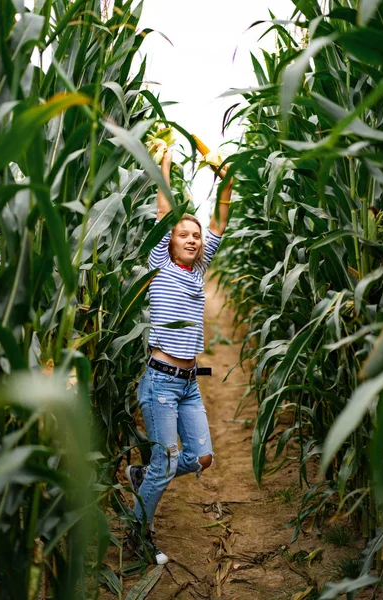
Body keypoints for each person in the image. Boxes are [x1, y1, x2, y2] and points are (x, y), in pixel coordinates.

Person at [126, 144, 232, 564]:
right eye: (182, 234)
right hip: (161, 384)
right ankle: (138, 534)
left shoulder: (200, 267)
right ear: (169, 241)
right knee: (166, 464)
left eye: (196, 236)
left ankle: (142, 474)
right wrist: (164, 161)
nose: (191, 239)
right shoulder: (161, 264)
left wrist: (224, 176)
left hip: (189, 385)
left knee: (201, 457)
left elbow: (221, 218)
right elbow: (164, 211)